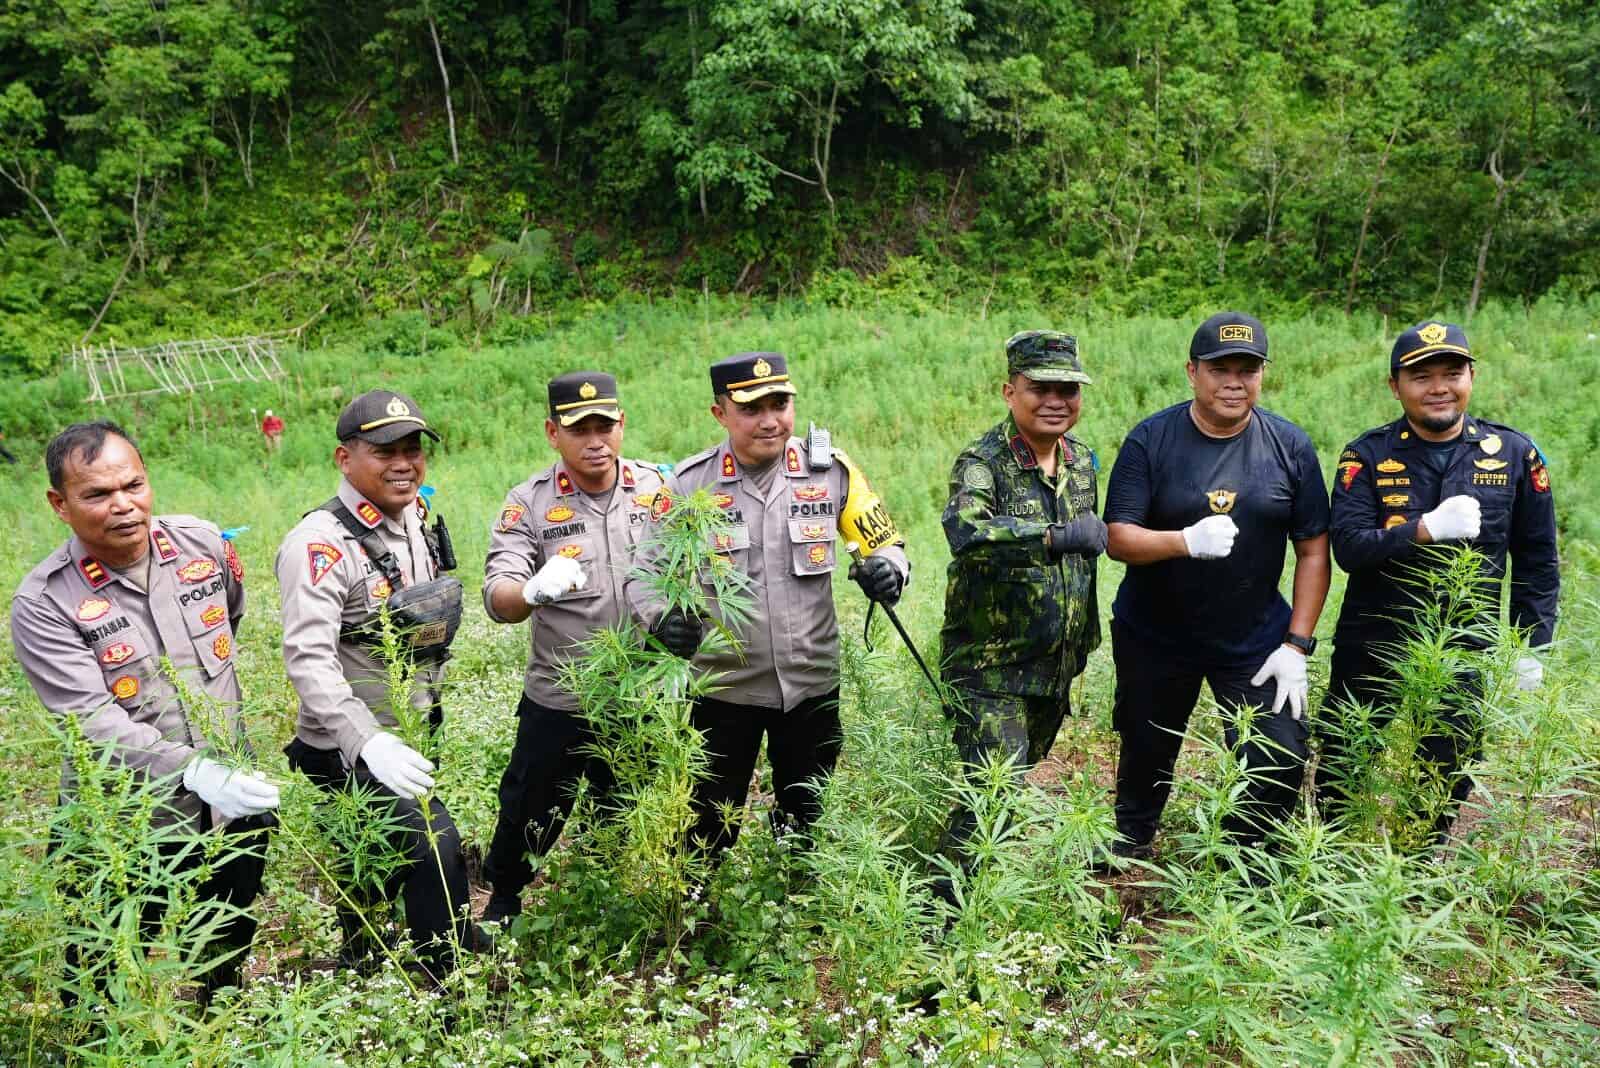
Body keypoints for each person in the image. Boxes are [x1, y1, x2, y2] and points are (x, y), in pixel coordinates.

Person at [11, 421, 277, 1002]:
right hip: (124, 819)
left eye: (132, 485)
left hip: (233, 793)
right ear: (60, 504)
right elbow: (89, 719)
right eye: (97, 495)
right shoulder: (45, 601)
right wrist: (192, 770)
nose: (123, 506)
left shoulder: (203, 544)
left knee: (228, 929)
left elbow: (230, 618)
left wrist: (220, 768)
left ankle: (218, 1014)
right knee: (105, 962)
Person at [626, 352, 911, 863]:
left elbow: (884, 541)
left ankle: (795, 907)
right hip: (724, 691)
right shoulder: (690, 485)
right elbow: (643, 574)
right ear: (721, 414)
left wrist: (889, 570)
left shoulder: (831, 472)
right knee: (708, 819)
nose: (769, 420)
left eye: (779, 404)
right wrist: (661, 618)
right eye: (752, 408)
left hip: (811, 685)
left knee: (806, 813)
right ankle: (692, 912)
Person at [1317, 320, 1559, 842]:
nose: (1439, 387)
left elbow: (1538, 559)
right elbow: (1349, 548)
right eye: (1421, 376)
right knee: (1347, 754)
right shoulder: (1368, 455)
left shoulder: (1515, 454)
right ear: (1395, 385)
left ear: (1472, 376)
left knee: (1448, 763)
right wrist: (1421, 530)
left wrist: (1531, 646)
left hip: (1464, 642)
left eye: (1452, 373)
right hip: (1375, 637)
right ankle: (1334, 856)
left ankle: (1420, 858)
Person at [1103, 312, 1331, 859]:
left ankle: (1244, 858)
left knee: (1278, 753)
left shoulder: (1289, 446)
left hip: (1254, 637)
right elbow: (1118, 537)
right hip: (1156, 632)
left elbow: (1313, 549)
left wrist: (1296, 644)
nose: (1234, 381)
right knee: (1146, 745)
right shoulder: (1150, 440)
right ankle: (1129, 844)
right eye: (1219, 368)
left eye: (1247, 369)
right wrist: (1182, 540)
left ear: (1262, 375)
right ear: (1192, 372)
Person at [276, 389, 480, 980]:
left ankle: (367, 951)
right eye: (384, 449)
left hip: (408, 731)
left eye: (413, 448)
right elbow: (308, 659)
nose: (404, 462)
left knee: (375, 858)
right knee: (435, 846)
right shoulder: (319, 545)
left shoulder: (412, 518)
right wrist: (367, 742)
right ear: (345, 459)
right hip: (347, 746)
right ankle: (447, 976)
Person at [478, 371, 666, 927]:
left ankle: (613, 903)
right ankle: (505, 900)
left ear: (621, 424)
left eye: (604, 425)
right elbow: (497, 594)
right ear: (552, 433)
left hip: (639, 695)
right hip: (561, 695)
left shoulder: (659, 490)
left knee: (627, 807)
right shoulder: (530, 503)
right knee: (529, 807)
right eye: (578, 428)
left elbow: (699, 566)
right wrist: (530, 591)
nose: (595, 440)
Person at [934, 331, 1106, 896]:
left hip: (1055, 664)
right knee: (991, 795)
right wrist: (1052, 536)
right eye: (1040, 388)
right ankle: (945, 915)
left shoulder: (1081, 462)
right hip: (991, 668)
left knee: (1008, 790)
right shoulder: (983, 463)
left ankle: (974, 904)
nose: (1057, 400)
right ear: (1010, 392)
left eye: (1068, 389)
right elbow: (967, 530)